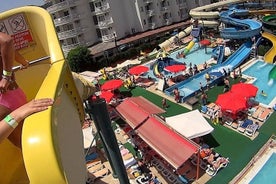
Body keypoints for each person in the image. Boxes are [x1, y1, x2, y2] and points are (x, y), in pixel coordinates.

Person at [0, 32, 30, 147]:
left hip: (3, 102)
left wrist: (6, 76)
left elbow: (6, 41)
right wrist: (23, 62)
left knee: (25, 146)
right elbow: (9, 48)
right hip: (14, 94)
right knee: (29, 140)